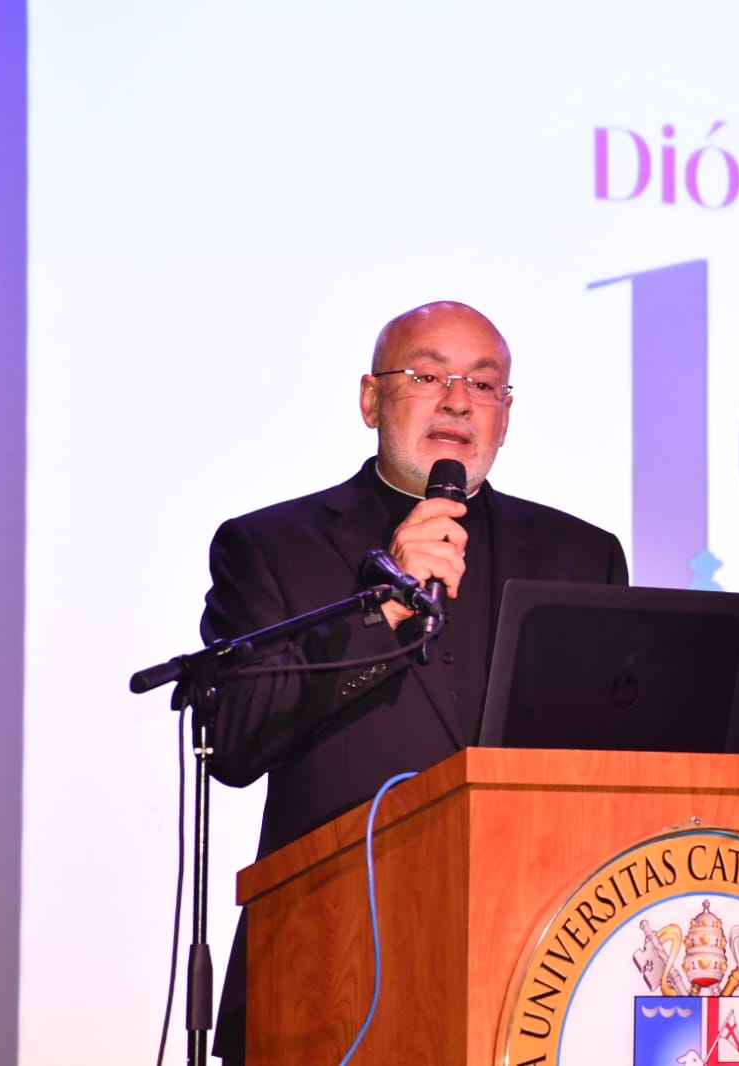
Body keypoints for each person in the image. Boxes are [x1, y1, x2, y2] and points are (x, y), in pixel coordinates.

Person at [200, 300, 627, 1064]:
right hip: (328, 971)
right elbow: (232, 738)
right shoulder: (269, 547)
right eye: (428, 376)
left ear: (505, 416)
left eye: (483, 384)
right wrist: (385, 610)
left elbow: (615, 767)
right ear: (371, 400)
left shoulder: (580, 556)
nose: (458, 401)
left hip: (534, 974)